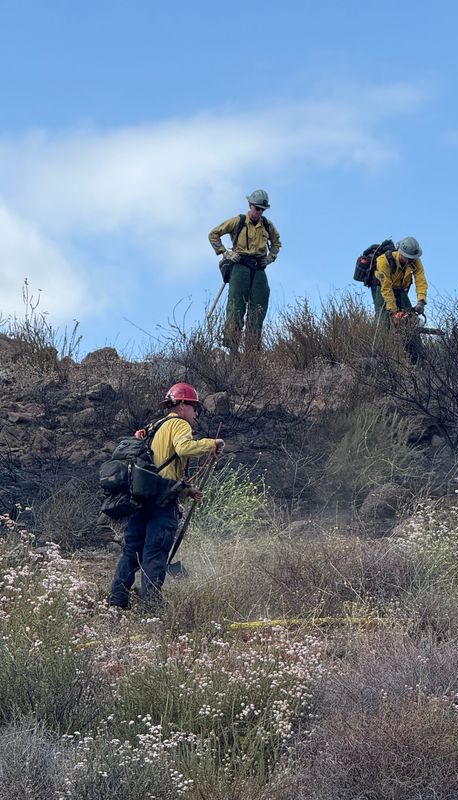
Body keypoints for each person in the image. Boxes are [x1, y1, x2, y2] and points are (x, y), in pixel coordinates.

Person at [109, 382, 225, 609]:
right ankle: (150, 607)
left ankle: (117, 602)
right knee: (155, 554)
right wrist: (213, 443)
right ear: (182, 405)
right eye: (194, 408)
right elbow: (183, 449)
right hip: (162, 506)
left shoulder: (152, 428)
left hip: (140, 500)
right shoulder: (179, 425)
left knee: (131, 553)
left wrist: (187, 491)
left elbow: (159, 470)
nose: (195, 414)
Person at [208, 189, 282, 351]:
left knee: (259, 307)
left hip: (259, 268)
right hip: (240, 265)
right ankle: (231, 348)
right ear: (250, 205)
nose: (259, 212)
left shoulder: (267, 226)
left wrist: (269, 259)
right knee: (236, 307)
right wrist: (226, 253)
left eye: (262, 209)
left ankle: (252, 350)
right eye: (257, 208)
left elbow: (277, 243)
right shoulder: (238, 221)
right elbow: (214, 234)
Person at [372, 236, 429, 362]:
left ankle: (417, 358)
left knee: (410, 322)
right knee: (383, 323)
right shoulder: (384, 261)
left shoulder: (415, 260)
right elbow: (386, 288)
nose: (411, 261)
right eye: (408, 258)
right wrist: (393, 312)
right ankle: (379, 357)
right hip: (382, 291)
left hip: (401, 291)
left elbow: (421, 280)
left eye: (413, 259)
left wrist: (421, 301)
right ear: (401, 253)